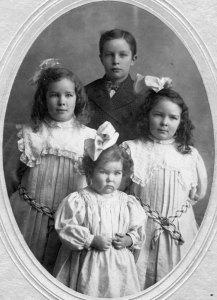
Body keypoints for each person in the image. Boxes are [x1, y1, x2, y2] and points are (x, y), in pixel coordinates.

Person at [5, 59, 96, 273]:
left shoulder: (91, 138)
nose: (61, 101)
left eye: (68, 95)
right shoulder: (29, 134)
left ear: (77, 98)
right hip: (29, 217)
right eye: (54, 95)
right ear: (43, 99)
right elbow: (9, 176)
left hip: (71, 222)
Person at [121, 76, 207, 289]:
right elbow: (117, 190)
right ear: (147, 115)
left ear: (181, 121)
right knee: (138, 281)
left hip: (179, 229)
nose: (165, 122)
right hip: (141, 228)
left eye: (173, 117)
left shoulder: (189, 154)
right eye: (158, 115)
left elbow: (199, 193)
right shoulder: (132, 149)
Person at [53, 122, 147, 297]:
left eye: (117, 173)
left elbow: (138, 230)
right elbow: (65, 227)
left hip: (119, 265)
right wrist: (90, 239)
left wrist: (128, 240)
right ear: (89, 172)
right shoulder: (79, 200)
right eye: (103, 172)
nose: (110, 179)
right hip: (89, 263)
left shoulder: (127, 202)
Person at [85, 28, 146, 143]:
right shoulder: (86, 92)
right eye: (109, 55)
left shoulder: (143, 94)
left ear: (133, 59)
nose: (115, 61)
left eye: (122, 55)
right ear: (101, 58)